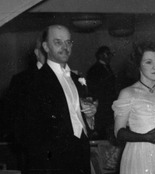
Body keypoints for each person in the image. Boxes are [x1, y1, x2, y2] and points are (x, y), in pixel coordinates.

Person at [22, 25, 96, 174]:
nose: (65, 47)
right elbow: (26, 131)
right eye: (58, 42)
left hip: (80, 154)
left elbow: (77, 117)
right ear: (46, 47)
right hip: (52, 162)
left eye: (68, 42)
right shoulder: (33, 81)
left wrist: (90, 116)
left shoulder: (77, 79)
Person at [112, 42, 155, 174]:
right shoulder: (128, 93)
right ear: (138, 65)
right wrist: (147, 137)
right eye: (148, 62)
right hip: (139, 154)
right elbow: (119, 133)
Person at [6, 42, 46, 172]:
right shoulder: (21, 80)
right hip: (32, 150)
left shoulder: (65, 77)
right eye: (44, 49)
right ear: (37, 52)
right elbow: (12, 116)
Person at [87, 45, 117, 139]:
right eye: (107, 54)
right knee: (102, 133)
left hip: (110, 106)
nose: (110, 56)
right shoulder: (94, 70)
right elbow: (93, 89)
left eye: (110, 54)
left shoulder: (108, 68)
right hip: (101, 107)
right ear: (100, 55)